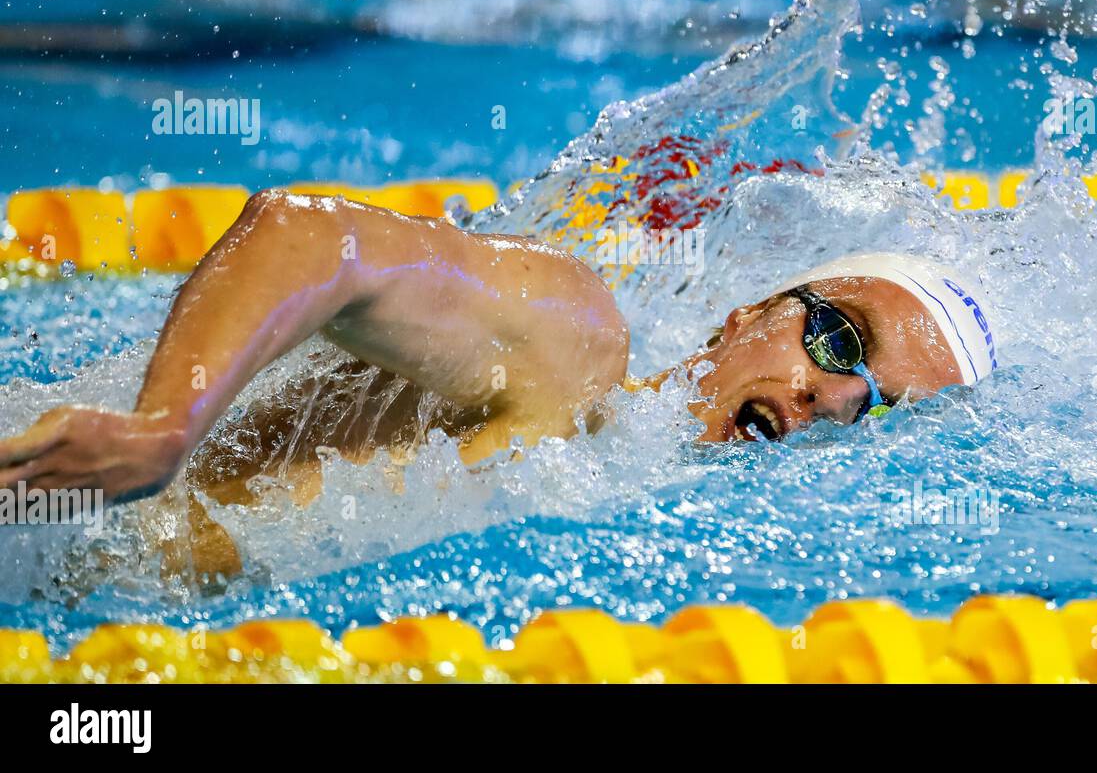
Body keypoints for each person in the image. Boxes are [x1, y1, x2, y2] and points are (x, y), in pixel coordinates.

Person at [0, 190, 995, 572]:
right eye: (834, 337)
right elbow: (311, 233)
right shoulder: (577, 350)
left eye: (880, 407)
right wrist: (165, 427)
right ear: (746, 318)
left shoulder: (647, 534)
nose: (834, 397)